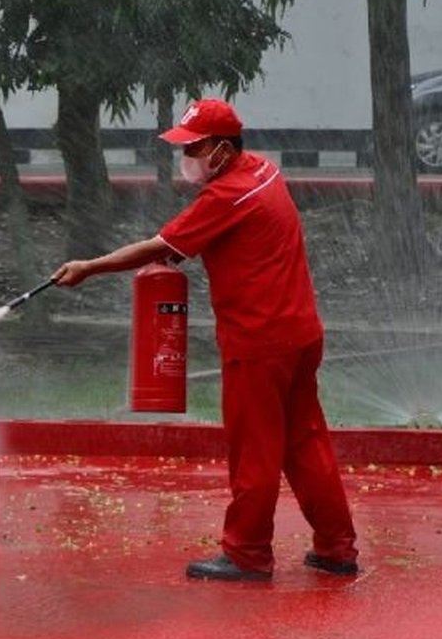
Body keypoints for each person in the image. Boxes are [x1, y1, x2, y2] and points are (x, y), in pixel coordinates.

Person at [51, 98, 359, 582]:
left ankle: (247, 555)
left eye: (194, 147)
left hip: (258, 344)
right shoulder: (263, 172)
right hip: (299, 334)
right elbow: (226, 239)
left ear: (220, 148)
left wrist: (89, 267)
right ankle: (338, 548)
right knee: (305, 442)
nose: (187, 156)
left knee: (254, 451)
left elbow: (159, 246)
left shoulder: (226, 197)